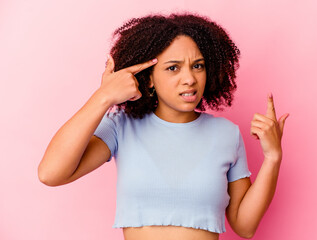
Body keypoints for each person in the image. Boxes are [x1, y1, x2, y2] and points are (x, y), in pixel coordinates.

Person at [38, 12, 289, 240]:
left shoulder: (226, 134)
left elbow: (245, 226)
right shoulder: (122, 127)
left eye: (197, 66)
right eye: (173, 68)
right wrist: (103, 97)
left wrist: (272, 157)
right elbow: (51, 173)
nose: (189, 79)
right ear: (148, 80)